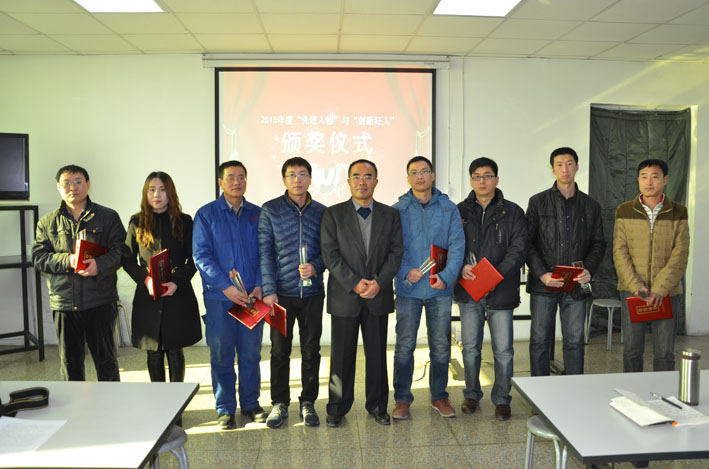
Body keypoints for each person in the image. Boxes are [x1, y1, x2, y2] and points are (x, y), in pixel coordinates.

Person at [320, 159, 403, 427]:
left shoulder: (390, 215)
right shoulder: (333, 214)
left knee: (377, 355)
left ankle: (378, 406)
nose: (362, 181)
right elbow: (330, 255)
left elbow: (396, 253)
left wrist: (379, 282)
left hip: (378, 295)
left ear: (376, 181)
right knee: (341, 357)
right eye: (356, 176)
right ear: (348, 181)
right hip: (345, 296)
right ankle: (337, 407)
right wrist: (355, 283)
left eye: (368, 176)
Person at [32, 164, 125, 381]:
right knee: (70, 364)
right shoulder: (47, 222)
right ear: (59, 187)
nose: (72, 187)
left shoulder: (108, 216)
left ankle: (112, 401)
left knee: (106, 362)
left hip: (100, 301)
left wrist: (99, 265)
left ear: (88, 184)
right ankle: (75, 404)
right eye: (66, 183)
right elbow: (38, 258)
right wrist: (69, 260)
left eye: (78, 182)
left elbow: (121, 252)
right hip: (65, 303)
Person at [193, 160, 267, 430]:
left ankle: (250, 403)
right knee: (222, 354)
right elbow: (201, 256)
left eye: (241, 177)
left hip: (251, 298)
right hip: (220, 297)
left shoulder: (257, 214)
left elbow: (265, 252)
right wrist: (226, 287)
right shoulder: (206, 214)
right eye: (231, 177)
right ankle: (225, 408)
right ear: (220, 182)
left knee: (250, 354)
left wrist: (259, 284)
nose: (237, 182)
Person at [453, 157, 528, 420]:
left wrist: (493, 276)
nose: (482, 181)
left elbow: (519, 249)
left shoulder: (513, 212)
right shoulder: (459, 211)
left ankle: (502, 399)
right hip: (469, 291)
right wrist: (460, 266)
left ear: (496, 179)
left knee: (503, 350)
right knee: (470, 348)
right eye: (477, 176)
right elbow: (451, 245)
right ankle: (472, 394)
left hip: (501, 290)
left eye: (487, 175)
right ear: (470, 180)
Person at [391, 156, 464, 420]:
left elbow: (457, 245)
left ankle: (439, 396)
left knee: (441, 346)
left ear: (432, 175)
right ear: (407, 178)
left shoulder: (448, 208)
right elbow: (391, 248)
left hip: (439, 289)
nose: (420, 176)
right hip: (408, 289)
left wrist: (447, 275)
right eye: (414, 172)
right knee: (404, 346)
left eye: (425, 171)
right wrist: (404, 271)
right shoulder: (397, 210)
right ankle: (402, 399)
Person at [258, 157, 327, 428]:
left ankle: (308, 402)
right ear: (284, 179)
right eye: (291, 175)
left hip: (313, 294)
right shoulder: (270, 210)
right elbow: (264, 252)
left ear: (310, 178)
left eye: (302, 174)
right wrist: (269, 290)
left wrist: (316, 266)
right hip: (280, 295)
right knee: (279, 351)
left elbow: (329, 251)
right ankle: (279, 402)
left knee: (311, 350)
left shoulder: (322, 212)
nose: (297, 179)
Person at [526, 147, 605, 376]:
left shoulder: (591, 205)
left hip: (575, 286)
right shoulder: (538, 202)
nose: (565, 169)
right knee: (540, 340)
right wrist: (542, 274)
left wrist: (589, 269)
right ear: (552, 169)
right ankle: (538, 392)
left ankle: (573, 389)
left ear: (577, 167)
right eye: (559, 164)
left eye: (569, 163)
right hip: (544, 284)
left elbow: (599, 243)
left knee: (574, 341)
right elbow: (527, 243)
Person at [123, 172, 202, 388]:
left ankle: (177, 401)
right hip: (149, 294)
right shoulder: (137, 222)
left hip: (177, 292)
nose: (156, 195)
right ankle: (158, 400)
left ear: (171, 193)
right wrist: (146, 280)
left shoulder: (184, 222)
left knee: (175, 350)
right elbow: (127, 260)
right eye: (152, 190)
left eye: (162, 189)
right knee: (154, 351)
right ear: (145, 193)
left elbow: (194, 259)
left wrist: (176, 282)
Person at [613, 159, 690, 372]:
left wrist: (659, 289)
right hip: (633, 292)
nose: (649, 182)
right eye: (644, 176)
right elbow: (619, 251)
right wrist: (636, 286)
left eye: (655, 176)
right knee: (632, 350)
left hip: (667, 293)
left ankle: (662, 393)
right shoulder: (624, 210)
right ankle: (632, 392)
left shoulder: (678, 211)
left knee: (665, 352)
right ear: (638, 180)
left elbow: (680, 254)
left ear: (665, 180)